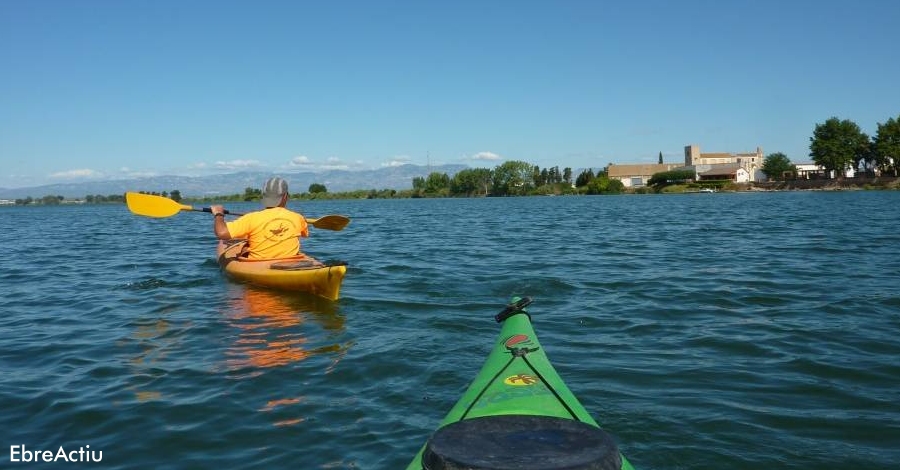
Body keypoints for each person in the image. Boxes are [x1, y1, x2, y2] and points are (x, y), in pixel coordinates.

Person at [210, 177, 309, 260]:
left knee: (246, 246)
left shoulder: (251, 218)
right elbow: (304, 234)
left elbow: (221, 233)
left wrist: (219, 214)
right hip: (291, 263)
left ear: (263, 196)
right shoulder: (298, 218)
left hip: (259, 264)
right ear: (285, 196)